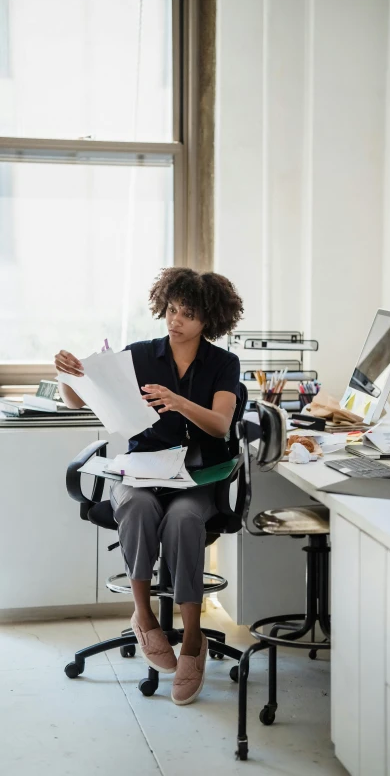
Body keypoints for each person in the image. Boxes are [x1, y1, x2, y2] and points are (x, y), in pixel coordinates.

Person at [55, 267, 243, 705]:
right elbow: (78, 399)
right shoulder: (140, 354)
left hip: (195, 474)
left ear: (209, 319)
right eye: (171, 310)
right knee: (137, 508)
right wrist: (66, 375)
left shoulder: (223, 364)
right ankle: (144, 616)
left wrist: (178, 402)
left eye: (188, 314)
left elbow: (219, 425)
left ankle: (193, 638)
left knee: (182, 520)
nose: (175, 320)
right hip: (139, 468)